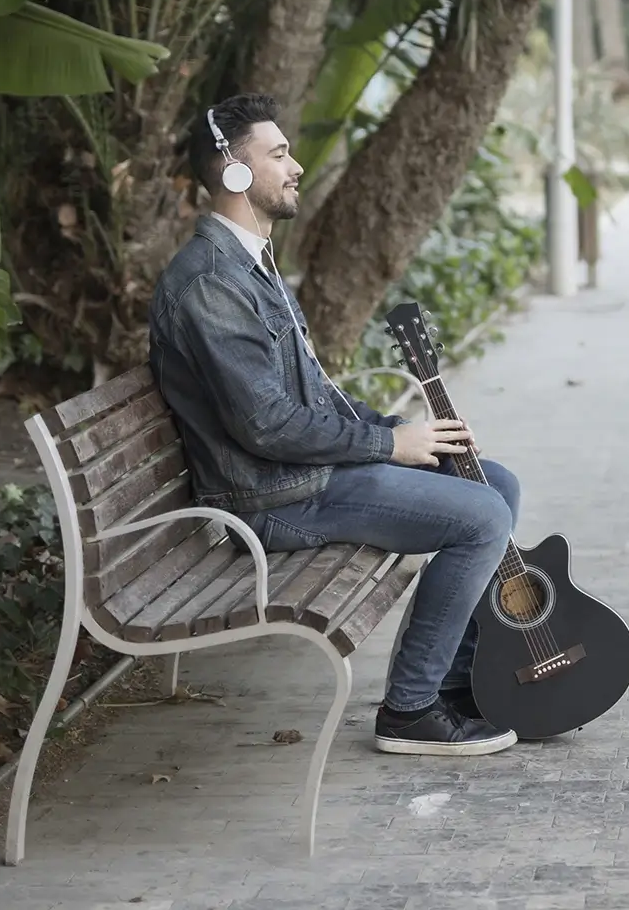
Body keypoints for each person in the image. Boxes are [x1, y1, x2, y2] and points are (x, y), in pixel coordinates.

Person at [147, 92, 519, 756]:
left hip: (304, 472)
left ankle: (455, 682)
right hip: (273, 497)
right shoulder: (210, 283)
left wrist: (409, 434)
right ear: (234, 171)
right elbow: (264, 425)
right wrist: (386, 445)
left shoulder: (250, 264)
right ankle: (410, 710)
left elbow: (312, 393)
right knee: (484, 518)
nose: (296, 167)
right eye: (279, 154)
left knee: (497, 484)